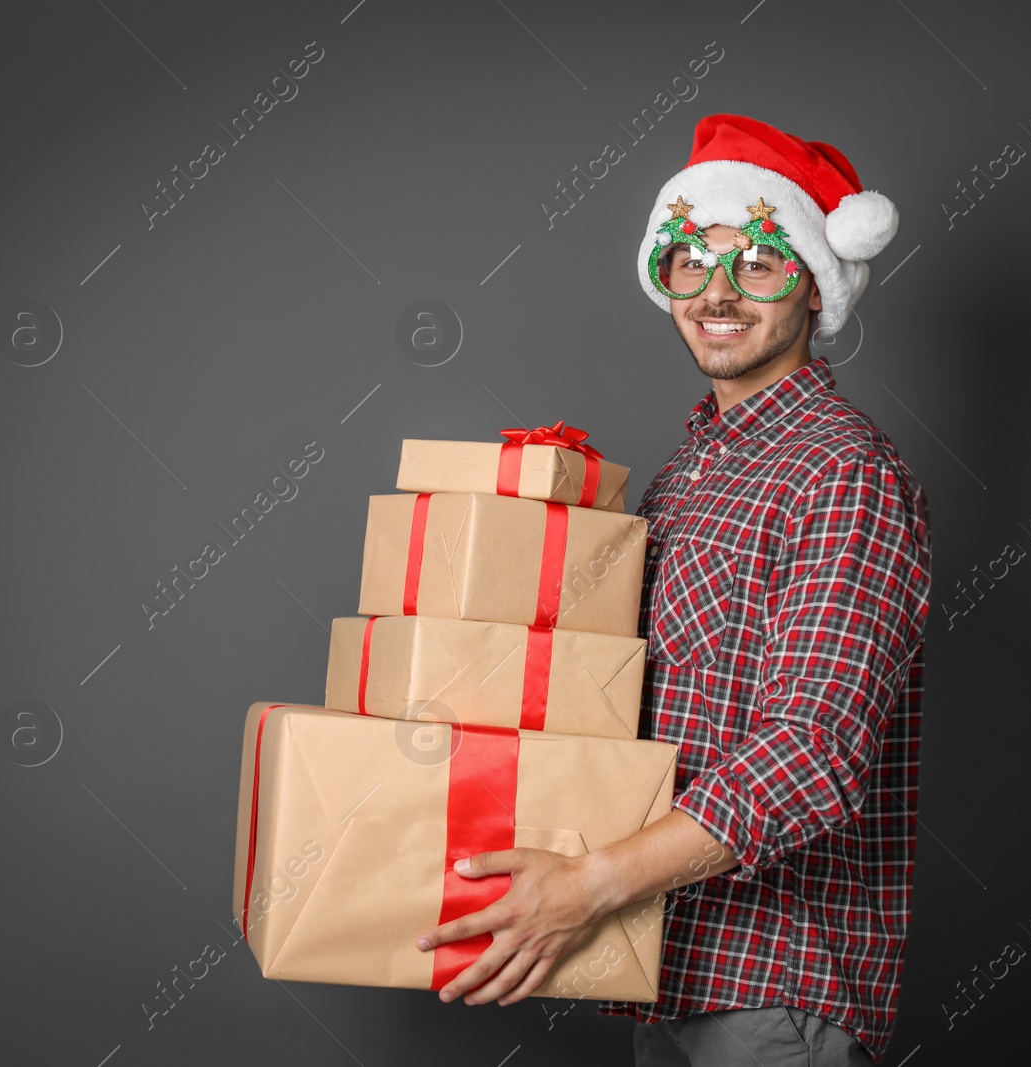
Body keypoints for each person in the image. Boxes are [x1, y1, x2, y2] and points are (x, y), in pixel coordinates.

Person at [413, 114, 933, 1066]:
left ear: (816, 285)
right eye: (691, 261)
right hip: (667, 965)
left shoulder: (843, 470)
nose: (718, 293)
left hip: (776, 991)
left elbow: (813, 753)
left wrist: (590, 883)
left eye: (760, 263)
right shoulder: (688, 471)